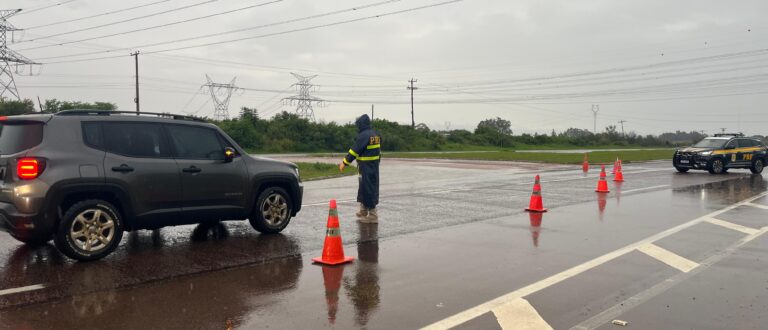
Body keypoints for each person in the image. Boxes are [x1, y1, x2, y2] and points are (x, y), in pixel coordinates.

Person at [339, 114, 381, 223]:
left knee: (368, 188)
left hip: (366, 166)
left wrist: (344, 163)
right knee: (364, 187)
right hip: (372, 166)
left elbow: (354, 150)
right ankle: (363, 210)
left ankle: (372, 215)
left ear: (361, 124)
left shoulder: (364, 135)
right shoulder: (375, 134)